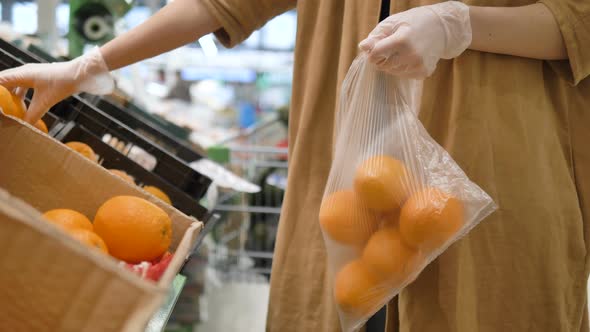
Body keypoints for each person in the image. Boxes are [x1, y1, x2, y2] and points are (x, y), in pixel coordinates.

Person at [1, 1, 589, 331]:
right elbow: (221, 3)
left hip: (495, 176)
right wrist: (88, 64)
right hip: (342, 197)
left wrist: (461, 25)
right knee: (331, 308)